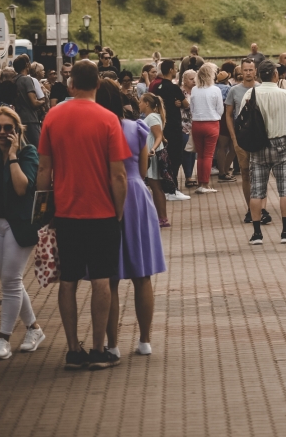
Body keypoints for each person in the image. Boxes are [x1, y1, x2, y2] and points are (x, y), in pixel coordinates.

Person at [36, 59, 130, 370]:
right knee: (102, 278)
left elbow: (44, 169)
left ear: (71, 84)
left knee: (69, 280)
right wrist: (118, 211)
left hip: (66, 211)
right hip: (102, 212)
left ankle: (73, 348)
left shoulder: (53, 116)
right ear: (98, 85)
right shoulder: (108, 120)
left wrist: (43, 210)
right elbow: (118, 175)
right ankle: (99, 348)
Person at [95, 80, 166, 359]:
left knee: (109, 277)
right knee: (142, 274)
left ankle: (112, 344)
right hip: (136, 195)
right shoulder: (136, 128)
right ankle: (145, 340)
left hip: (105, 196)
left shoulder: (98, 129)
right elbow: (143, 168)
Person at [0, 105, 44, 359]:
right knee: (9, 280)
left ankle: (3, 338)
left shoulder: (28, 152)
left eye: (8, 127)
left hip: (20, 223)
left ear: (18, 129)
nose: (3, 132)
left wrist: (13, 155)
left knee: (11, 279)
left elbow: (21, 188)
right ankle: (34, 328)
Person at [241, 60, 286, 245]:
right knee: (285, 189)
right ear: (275, 75)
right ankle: (285, 231)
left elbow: (242, 120)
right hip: (282, 143)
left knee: (257, 191)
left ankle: (257, 234)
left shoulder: (250, 94)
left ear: (259, 75)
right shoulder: (285, 94)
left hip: (257, 145)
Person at [225, 59, 271, 224]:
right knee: (245, 173)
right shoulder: (234, 91)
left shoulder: (262, 89)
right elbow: (228, 115)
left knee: (261, 173)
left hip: (260, 137)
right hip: (242, 138)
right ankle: (251, 209)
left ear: (255, 71)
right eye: (245, 70)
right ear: (241, 72)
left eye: (251, 70)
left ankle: (262, 208)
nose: (248, 73)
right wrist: (233, 137)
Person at [150, 59, 189, 198]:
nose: (176, 71)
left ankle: (165, 187)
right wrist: (179, 103)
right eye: (175, 68)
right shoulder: (174, 88)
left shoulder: (157, 87)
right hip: (174, 126)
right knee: (176, 157)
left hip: (161, 125)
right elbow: (186, 104)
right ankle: (173, 188)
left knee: (164, 157)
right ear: (171, 70)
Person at [190, 62, 224, 194]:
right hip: (211, 123)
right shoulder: (215, 90)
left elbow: (192, 108)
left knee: (200, 155)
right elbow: (220, 109)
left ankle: (200, 183)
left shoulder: (194, 89)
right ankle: (206, 183)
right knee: (209, 155)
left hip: (197, 123)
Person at [139, 92, 169, 227]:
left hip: (153, 156)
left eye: (140, 102)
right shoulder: (152, 117)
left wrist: (152, 149)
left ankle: (162, 217)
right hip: (151, 153)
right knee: (155, 186)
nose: (139, 104)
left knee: (156, 186)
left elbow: (158, 136)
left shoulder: (151, 117)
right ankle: (161, 217)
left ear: (147, 104)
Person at [11, 54, 42, 149]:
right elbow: (34, 103)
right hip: (30, 120)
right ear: (27, 65)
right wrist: (43, 101)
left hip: (18, 119)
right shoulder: (27, 80)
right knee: (36, 148)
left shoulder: (14, 80)